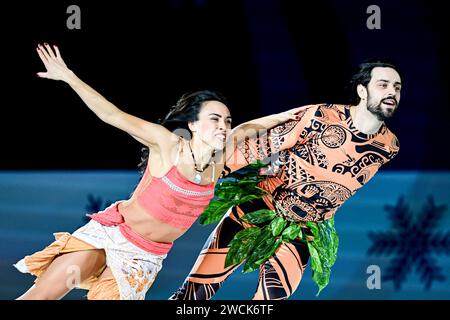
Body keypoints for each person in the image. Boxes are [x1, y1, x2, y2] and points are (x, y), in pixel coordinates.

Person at [14, 43, 302, 300]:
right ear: (192, 125)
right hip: (112, 234)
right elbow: (112, 115)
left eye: (226, 120)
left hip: (144, 257)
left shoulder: (222, 156)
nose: (222, 126)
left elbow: (247, 128)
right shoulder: (168, 145)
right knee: (42, 295)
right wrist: (68, 76)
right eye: (214, 119)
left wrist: (293, 115)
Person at [169, 59, 402, 300]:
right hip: (257, 209)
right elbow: (258, 147)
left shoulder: (389, 147)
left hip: (302, 231)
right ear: (362, 91)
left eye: (397, 87)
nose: (391, 92)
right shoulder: (321, 116)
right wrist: (199, 177)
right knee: (192, 297)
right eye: (383, 85)